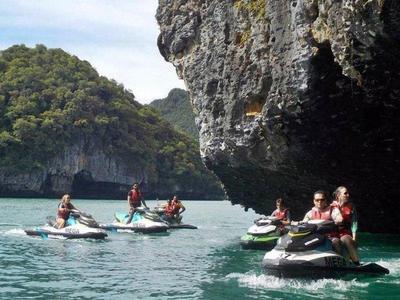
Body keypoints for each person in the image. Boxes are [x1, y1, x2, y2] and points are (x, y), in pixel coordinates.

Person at [331, 186, 360, 265]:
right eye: (345, 193)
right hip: (334, 233)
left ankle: (356, 263)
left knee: (345, 239)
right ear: (338, 195)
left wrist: (354, 238)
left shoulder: (351, 206)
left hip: (346, 233)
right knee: (335, 241)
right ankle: (340, 263)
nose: (348, 195)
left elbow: (354, 223)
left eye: (348, 193)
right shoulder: (331, 206)